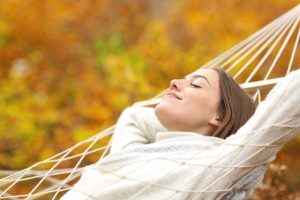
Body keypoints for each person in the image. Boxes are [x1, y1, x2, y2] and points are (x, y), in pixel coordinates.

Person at [61, 68, 300, 200]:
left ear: (219, 117)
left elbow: (290, 97)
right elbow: (133, 116)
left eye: (196, 85)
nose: (174, 82)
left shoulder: (219, 166)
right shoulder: (133, 155)